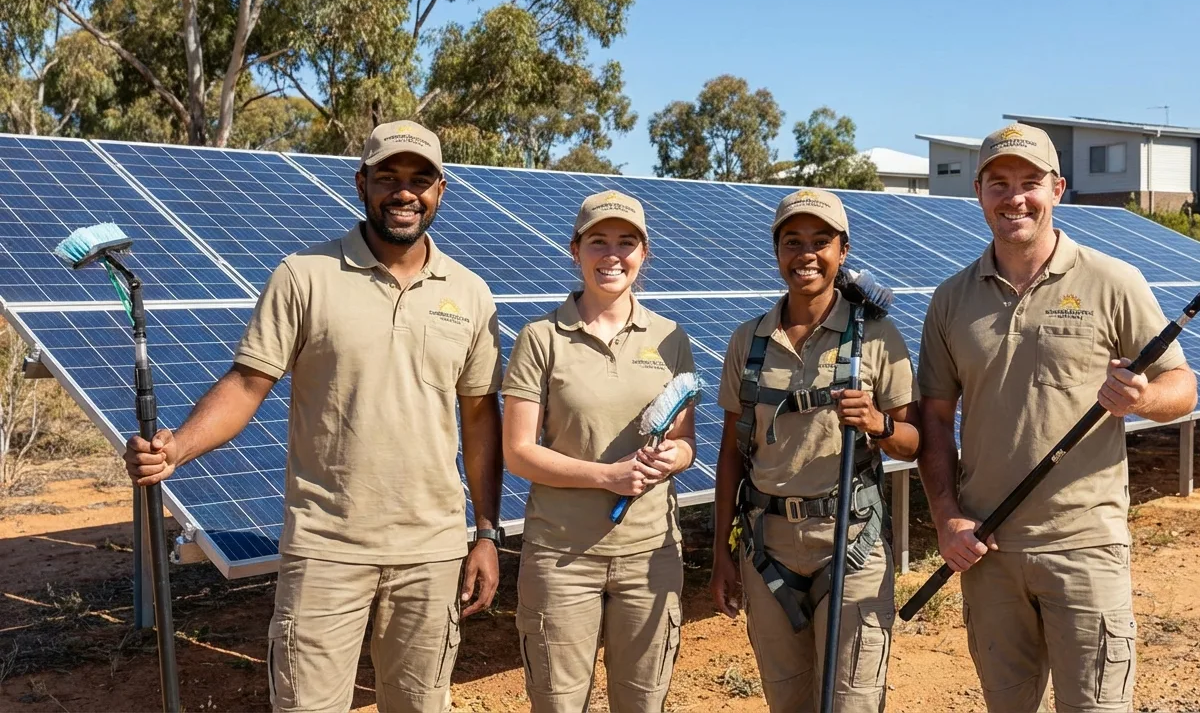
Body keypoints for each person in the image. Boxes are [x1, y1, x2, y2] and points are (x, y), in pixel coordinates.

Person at [123, 121, 505, 713]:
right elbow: (247, 384)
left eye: (420, 179)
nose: (404, 193)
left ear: (441, 190)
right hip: (327, 548)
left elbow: (480, 418)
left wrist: (484, 534)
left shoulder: (472, 293)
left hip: (432, 551)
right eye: (388, 178)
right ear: (361, 184)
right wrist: (176, 447)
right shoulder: (304, 276)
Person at [916, 123, 1199, 713]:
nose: (1015, 197)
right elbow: (935, 420)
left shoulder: (1112, 281)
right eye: (999, 183)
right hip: (989, 551)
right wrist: (947, 521)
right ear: (978, 192)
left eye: (1030, 182)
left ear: (1059, 189)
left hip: (1087, 548)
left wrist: (1140, 398)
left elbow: (1183, 387)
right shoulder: (951, 299)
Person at [708, 189, 920, 712]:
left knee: (851, 702)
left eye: (820, 241)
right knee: (789, 704)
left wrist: (877, 422)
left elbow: (915, 443)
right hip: (767, 550)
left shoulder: (875, 336)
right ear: (776, 251)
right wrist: (721, 555)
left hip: (850, 544)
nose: (806, 253)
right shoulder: (748, 342)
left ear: (842, 250)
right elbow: (731, 456)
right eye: (792, 241)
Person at [501, 190, 697, 713]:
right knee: (559, 703)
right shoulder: (540, 338)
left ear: (644, 253)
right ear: (575, 250)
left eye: (626, 242)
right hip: (563, 557)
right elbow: (518, 453)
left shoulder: (671, 338)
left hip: (650, 555)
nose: (613, 254)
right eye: (598, 241)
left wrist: (672, 458)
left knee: (643, 702)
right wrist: (606, 476)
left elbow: (685, 441)